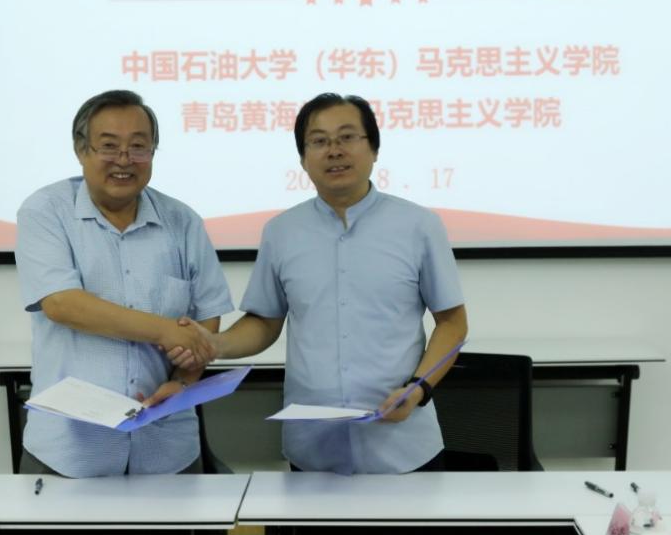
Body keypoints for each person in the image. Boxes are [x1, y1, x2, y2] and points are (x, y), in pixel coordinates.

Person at [173, 92, 467, 476]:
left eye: (347, 137)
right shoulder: (281, 232)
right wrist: (216, 344)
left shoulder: (419, 226)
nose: (334, 150)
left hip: (404, 445)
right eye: (319, 141)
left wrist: (419, 388)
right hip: (314, 446)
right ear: (303, 159)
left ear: (374, 149)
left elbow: (452, 323)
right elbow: (264, 321)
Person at [15, 89, 233, 483]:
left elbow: (206, 318)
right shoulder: (46, 211)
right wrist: (165, 330)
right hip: (71, 451)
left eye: (138, 146)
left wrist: (183, 379)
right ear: (81, 150)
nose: (124, 159)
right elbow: (63, 304)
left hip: (167, 447)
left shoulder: (182, 221)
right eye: (109, 146)